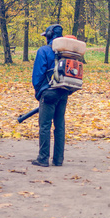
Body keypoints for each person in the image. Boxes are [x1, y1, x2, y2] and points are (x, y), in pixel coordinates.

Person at [31, 24, 70, 167]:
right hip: (64, 91)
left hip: (48, 93)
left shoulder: (44, 51)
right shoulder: (67, 52)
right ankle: (58, 159)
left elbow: (37, 76)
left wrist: (39, 92)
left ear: (48, 35)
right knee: (59, 126)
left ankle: (43, 158)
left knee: (45, 126)